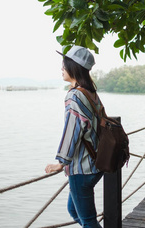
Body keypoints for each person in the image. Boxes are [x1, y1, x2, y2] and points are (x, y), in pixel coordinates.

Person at [45, 45, 103, 228]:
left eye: (64, 65)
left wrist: (60, 162)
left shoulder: (74, 96)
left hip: (82, 168)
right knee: (74, 211)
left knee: (88, 221)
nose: (61, 68)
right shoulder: (91, 92)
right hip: (97, 163)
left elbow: (72, 131)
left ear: (74, 68)